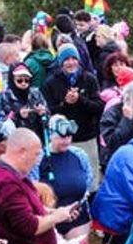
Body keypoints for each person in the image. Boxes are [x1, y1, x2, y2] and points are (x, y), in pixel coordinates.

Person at [31, 115, 94, 241]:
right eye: (61, 137)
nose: (66, 141)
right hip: (49, 218)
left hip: (77, 216)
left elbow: (89, 178)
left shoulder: (79, 155)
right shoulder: (38, 159)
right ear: (50, 135)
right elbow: (31, 188)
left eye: (69, 137)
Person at [42, 44, 103, 173]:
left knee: (90, 177)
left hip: (87, 137)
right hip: (62, 140)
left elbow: (99, 107)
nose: (71, 63)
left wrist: (80, 100)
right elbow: (49, 112)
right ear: (60, 62)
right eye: (66, 59)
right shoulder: (50, 83)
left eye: (73, 58)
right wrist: (65, 103)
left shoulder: (89, 79)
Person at [0, 62, 49, 140]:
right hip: (14, 139)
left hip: (36, 138)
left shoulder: (36, 93)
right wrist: (18, 116)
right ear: (12, 79)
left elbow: (47, 116)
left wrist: (42, 113)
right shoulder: (3, 96)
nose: (23, 83)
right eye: (19, 80)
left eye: (26, 80)